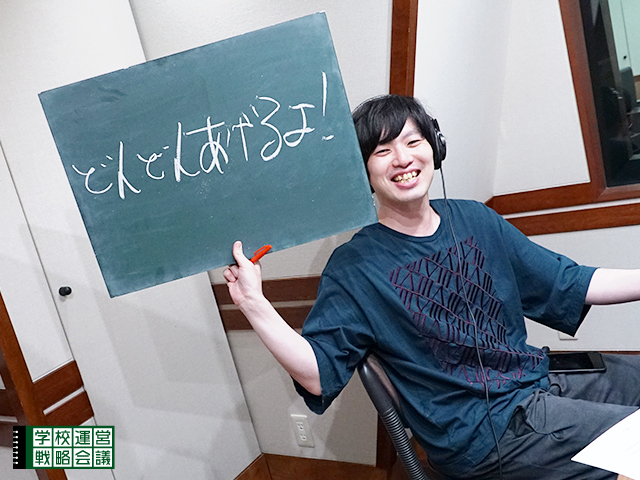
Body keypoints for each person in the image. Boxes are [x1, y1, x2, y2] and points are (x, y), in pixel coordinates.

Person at [223, 94, 640, 480]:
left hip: (535, 380)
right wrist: (254, 303)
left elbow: (569, 281)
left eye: (413, 141)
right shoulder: (355, 267)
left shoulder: (475, 219)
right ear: (363, 169)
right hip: (481, 433)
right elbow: (318, 374)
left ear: (435, 147)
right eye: (382, 151)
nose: (402, 159)